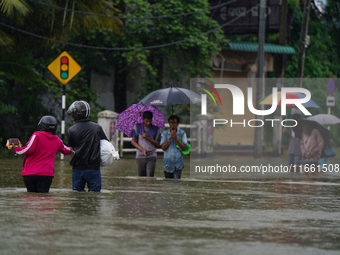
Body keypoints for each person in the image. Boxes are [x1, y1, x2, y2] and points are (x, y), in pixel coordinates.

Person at [11, 116, 72, 193]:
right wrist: (73, 148)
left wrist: (15, 149)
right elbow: (67, 150)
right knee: (44, 200)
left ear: (41, 125)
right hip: (46, 175)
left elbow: (28, 150)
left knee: (31, 200)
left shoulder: (36, 135)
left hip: (30, 174)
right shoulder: (57, 140)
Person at [67, 100, 108, 192]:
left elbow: (71, 149)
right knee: (95, 197)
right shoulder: (97, 128)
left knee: (77, 197)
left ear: (76, 114)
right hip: (94, 169)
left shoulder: (71, 130)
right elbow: (106, 145)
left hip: (77, 169)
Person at [131, 111, 162, 177]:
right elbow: (133, 141)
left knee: (150, 176)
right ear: (142, 119)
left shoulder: (156, 129)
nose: (148, 123)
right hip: (140, 155)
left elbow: (158, 144)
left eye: (150, 121)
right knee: (141, 177)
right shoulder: (137, 127)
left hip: (151, 155)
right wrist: (141, 149)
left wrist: (148, 138)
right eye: (146, 121)